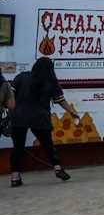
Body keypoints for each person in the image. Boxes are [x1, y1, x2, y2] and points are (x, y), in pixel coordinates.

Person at [8, 56, 77, 186]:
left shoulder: (22, 77)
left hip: (19, 116)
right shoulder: (50, 82)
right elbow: (60, 100)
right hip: (40, 117)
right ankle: (57, 169)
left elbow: (10, 93)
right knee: (48, 145)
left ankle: (15, 178)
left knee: (17, 147)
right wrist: (72, 112)